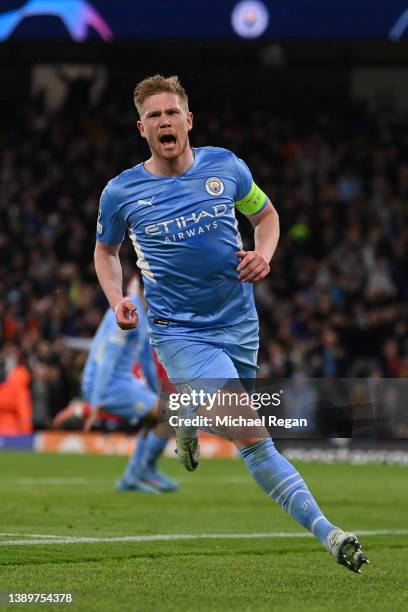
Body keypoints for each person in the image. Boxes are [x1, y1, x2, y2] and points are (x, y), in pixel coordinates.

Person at [94, 74, 368, 572]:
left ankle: (183, 415)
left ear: (188, 120)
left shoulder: (227, 167)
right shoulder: (121, 193)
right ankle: (330, 533)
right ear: (142, 128)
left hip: (240, 324)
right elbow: (105, 251)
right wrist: (116, 299)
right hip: (178, 330)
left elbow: (267, 217)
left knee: (232, 417)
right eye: (154, 116)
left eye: (171, 112)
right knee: (251, 433)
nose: (164, 121)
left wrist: (264, 255)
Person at [80, 275, 178, 493]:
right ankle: (143, 470)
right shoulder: (130, 312)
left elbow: (145, 360)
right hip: (108, 385)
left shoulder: (139, 312)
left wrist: (156, 392)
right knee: (172, 415)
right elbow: (109, 358)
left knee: (160, 416)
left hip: (119, 382)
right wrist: (95, 403)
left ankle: (132, 477)